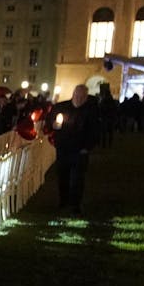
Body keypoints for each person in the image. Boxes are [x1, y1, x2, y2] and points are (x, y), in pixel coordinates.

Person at [49, 83, 100, 214]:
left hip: (80, 150)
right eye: (77, 95)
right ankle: (63, 201)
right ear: (73, 94)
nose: (79, 98)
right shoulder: (61, 107)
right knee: (62, 176)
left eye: (82, 96)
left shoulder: (90, 111)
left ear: (86, 98)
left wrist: (87, 147)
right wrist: (54, 125)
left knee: (78, 178)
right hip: (63, 147)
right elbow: (50, 123)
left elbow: (95, 131)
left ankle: (75, 204)